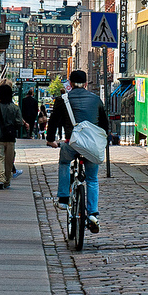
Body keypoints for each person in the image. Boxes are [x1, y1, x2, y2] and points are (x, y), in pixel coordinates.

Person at [46, 70, 109, 234]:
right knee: (92, 179)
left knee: (65, 162)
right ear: (86, 84)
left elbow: (53, 122)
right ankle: (93, 214)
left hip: (72, 144)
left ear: (70, 84)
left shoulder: (63, 100)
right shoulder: (96, 100)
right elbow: (105, 125)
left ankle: (63, 198)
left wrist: (51, 140)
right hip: (91, 147)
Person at [0, 83, 24, 190]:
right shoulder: (15, 108)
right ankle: (7, 181)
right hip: (10, 138)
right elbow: (19, 123)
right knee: (9, 161)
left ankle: (0, 179)